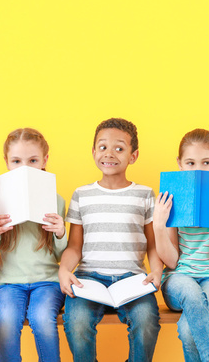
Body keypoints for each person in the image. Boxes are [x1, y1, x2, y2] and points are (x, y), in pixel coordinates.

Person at [59, 117, 162, 362]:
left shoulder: (145, 194)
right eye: (103, 147)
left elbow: (153, 243)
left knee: (147, 321)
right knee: (76, 322)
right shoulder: (82, 195)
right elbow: (75, 246)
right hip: (89, 278)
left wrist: (156, 271)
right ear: (93, 151)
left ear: (133, 156)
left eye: (119, 148)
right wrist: (64, 269)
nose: (110, 154)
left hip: (132, 280)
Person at [154, 129, 209, 362]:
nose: (198, 169)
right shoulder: (170, 197)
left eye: (206, 162)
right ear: (180, 164)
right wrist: (159, 226)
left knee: (186, 329)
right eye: (190, 162)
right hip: (178, 280)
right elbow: (172, 261)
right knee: (192, 293)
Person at [0, 128, 67, 362]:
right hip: (9, 283)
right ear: (6, 162)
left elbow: (62, 256)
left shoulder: (56, 200)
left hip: (48, 282)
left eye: (33, 161)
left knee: (42, 319)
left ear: (44, 161)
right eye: (17, 161)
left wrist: (60, 232)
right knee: (7, 321)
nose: (25, 167)